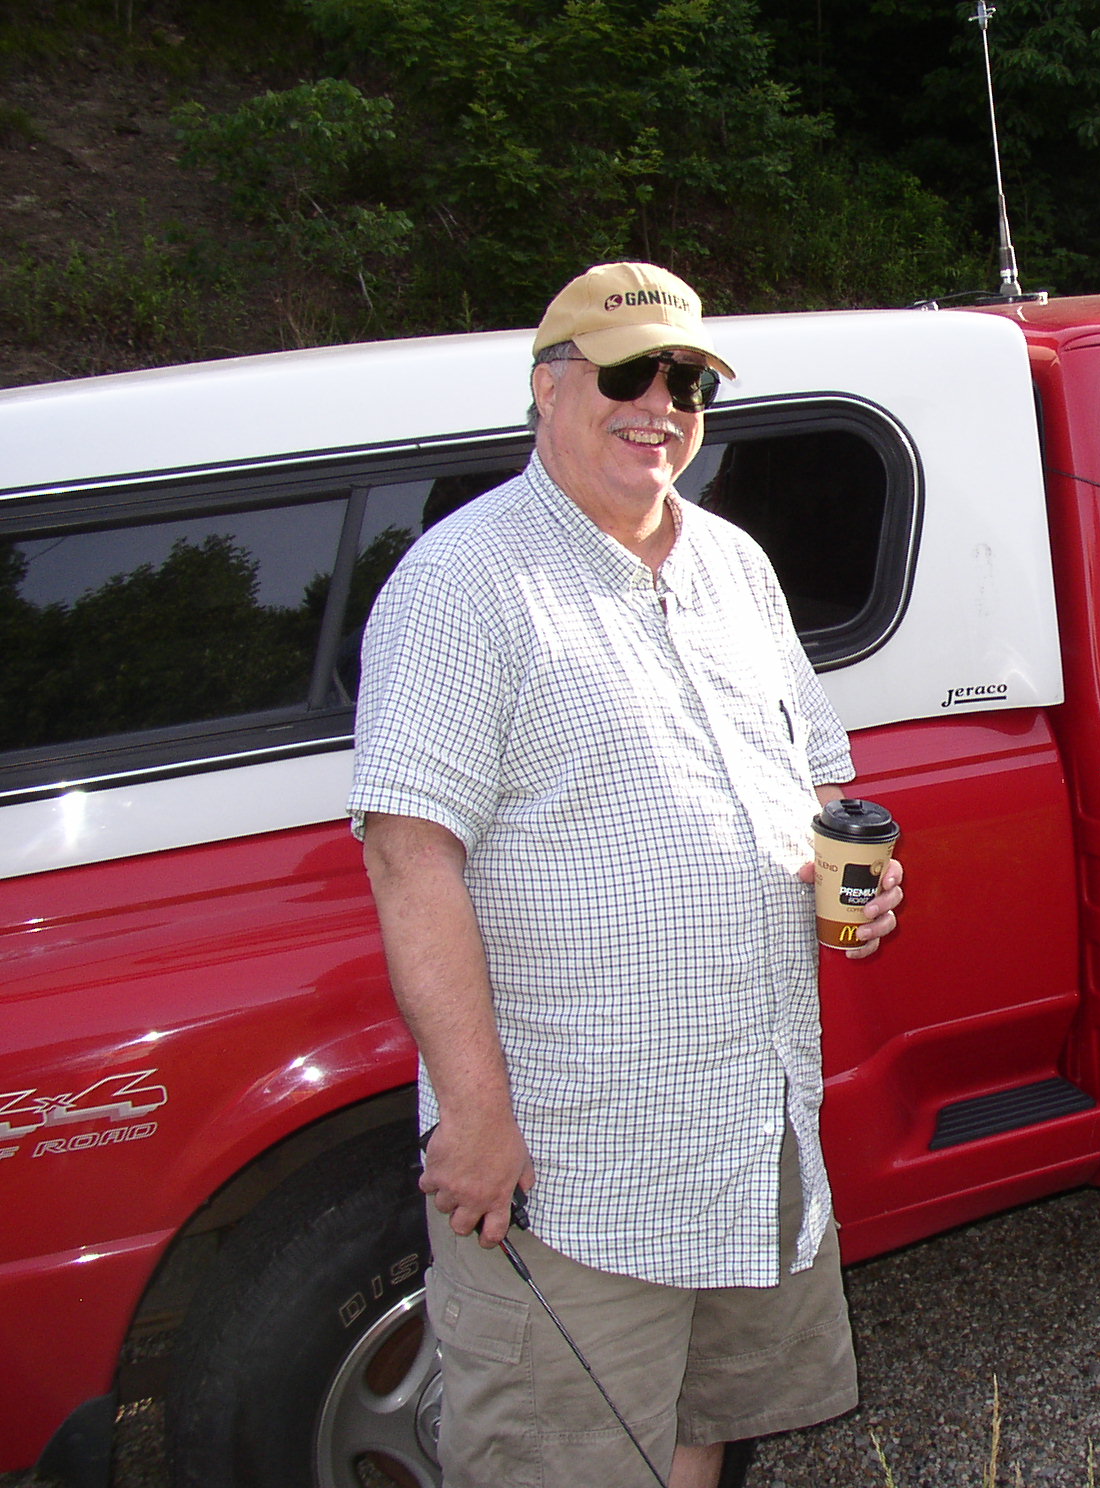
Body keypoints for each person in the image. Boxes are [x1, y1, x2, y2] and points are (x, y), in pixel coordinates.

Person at [349, 260, 902, 1488]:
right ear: (547, 391)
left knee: (702, 1420)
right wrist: (479, 1117)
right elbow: (408, 854)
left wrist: (853, 880)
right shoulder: (462, 584)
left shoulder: (733, 564)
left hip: (749, 1127)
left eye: (690, 379)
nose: (661, 401)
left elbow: (813, 771)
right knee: (570, 1460)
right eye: (627, 372)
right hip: (580, 1161)